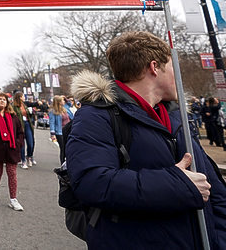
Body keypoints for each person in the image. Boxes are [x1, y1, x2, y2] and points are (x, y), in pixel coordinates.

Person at [66, 31, 226, 248]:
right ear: (154, 67)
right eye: (172, 67)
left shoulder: (176, 115)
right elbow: (91, 182)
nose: (178, 76)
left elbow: (214, 189)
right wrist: (177, 184)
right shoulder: (96, 115)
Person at [12, 91, 38, 168]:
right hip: (19, 126)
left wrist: (31, 113)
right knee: (21, 144)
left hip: (27, 124)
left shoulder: (25, 104)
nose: (24, 98)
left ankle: (29, 156)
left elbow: (29, 115)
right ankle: (23, 161)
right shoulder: (13, 106)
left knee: (31, 143)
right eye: (23, 96)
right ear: (19, 97)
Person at [49, 95, 70, 162]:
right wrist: (53, 134)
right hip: (60, 132)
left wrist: (66, 99)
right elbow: (52, 123)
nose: (64, 101)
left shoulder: (64, 109)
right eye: (62, 100)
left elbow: (70, 104)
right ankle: (63, 164)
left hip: (68, 131)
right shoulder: (53, 111)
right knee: (63, 149)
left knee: (69, 148)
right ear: (59, 102)